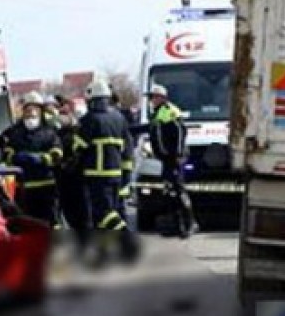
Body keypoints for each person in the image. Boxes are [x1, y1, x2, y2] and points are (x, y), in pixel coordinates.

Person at [75, 79, 139, 264]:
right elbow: (128, 151)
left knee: (105, 214)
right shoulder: (119, 119)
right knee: (104, 215)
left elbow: (80, 147)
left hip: (97, 176)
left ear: (92, 99)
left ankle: (128, 240)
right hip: (116, 175)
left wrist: (71, 160)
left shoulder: (89, 119)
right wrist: (126, 178)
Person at [0, 92, 63, 224]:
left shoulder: (49, 131)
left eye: (35, 110)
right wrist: (16, 157)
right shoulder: (15, 133)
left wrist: (42, 159)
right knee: (29, 224)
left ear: (41, 111)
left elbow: (57, 153)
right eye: (28, 110)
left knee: (52, 223)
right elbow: (7, 153)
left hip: (47, 188)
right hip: (24, 189)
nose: (31, 114)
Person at [147, 84, 197, 238]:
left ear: (162, 98)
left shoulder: (170, 111)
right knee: (170, 192)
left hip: (173, 159)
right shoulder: (157, 113)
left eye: (153, 97)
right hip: (165, 159)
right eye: (150, 97)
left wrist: (179, 155)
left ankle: (190, 223)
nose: (151, 100)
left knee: (179, 191)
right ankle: (177, 225)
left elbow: (181, 132)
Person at [54, 96, 91, 249]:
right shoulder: (57, 134)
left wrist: (70, 164)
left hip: (78, 179)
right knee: (72, 215)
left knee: (81, 216)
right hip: (65, 180)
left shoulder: (79, 132)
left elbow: (83, 152)